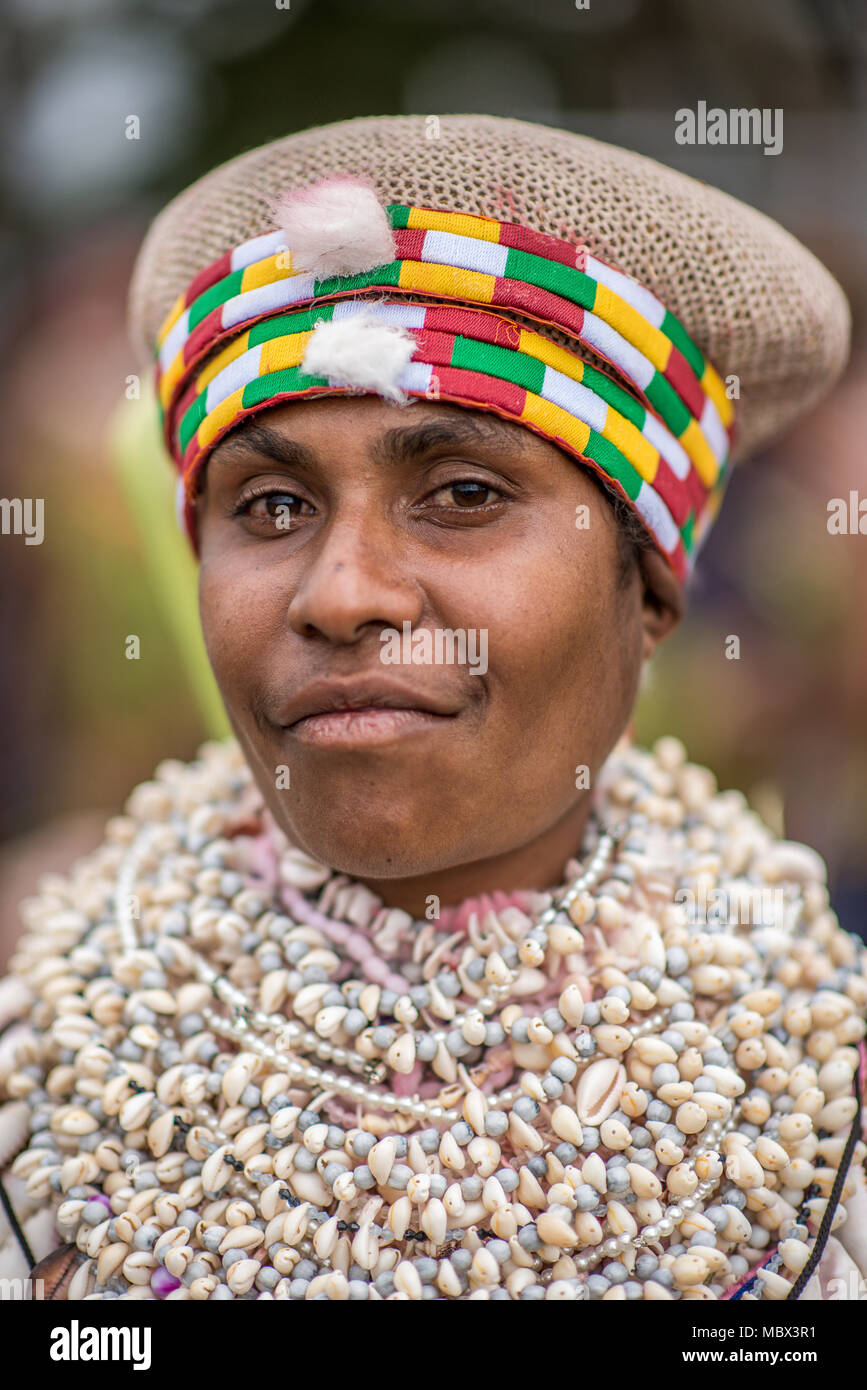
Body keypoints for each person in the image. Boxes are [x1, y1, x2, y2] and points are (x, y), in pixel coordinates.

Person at [1, 114, 864, 1303]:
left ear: (652, 591)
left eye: (463, 491)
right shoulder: (38, 1064)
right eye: (269, 507)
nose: (343, 594)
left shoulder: (826, 1100)